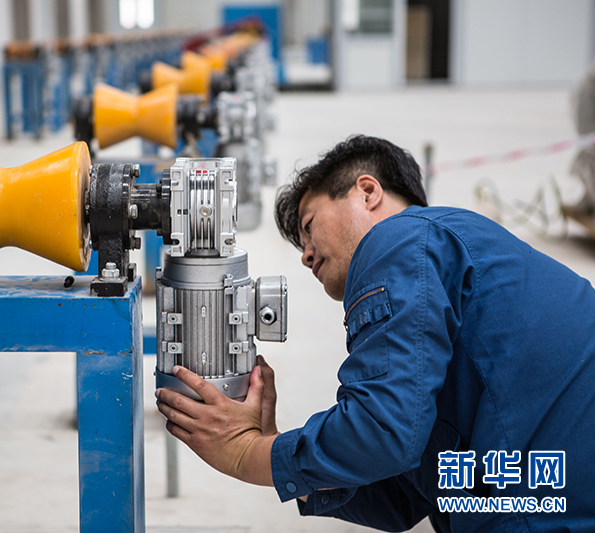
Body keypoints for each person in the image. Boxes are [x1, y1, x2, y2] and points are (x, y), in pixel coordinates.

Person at [155, 135, 595, 532]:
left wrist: (246, 454)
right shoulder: (445, 263)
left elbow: (382, 431)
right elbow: (399, 498)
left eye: (309, 226)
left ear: (367, 192)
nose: (306, 256)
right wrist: (271, 444)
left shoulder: (404, 239)